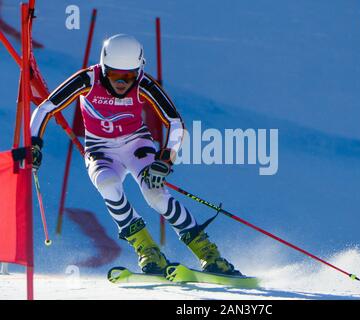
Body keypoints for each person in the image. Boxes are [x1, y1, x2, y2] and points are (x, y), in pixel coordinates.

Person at [30, 34, 241, 276]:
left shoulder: (143, 83)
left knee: (155, 195)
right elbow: (46, 107)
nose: (121, 83)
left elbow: (175, 122)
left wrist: (165, 160)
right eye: (114, 75)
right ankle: (148, 250)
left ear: (138, 70)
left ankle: (209, 254)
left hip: (136, 144)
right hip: (100, 148)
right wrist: (34, 144)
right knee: (107, 184)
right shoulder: (87, 79)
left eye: (128, 76)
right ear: (104, 67)